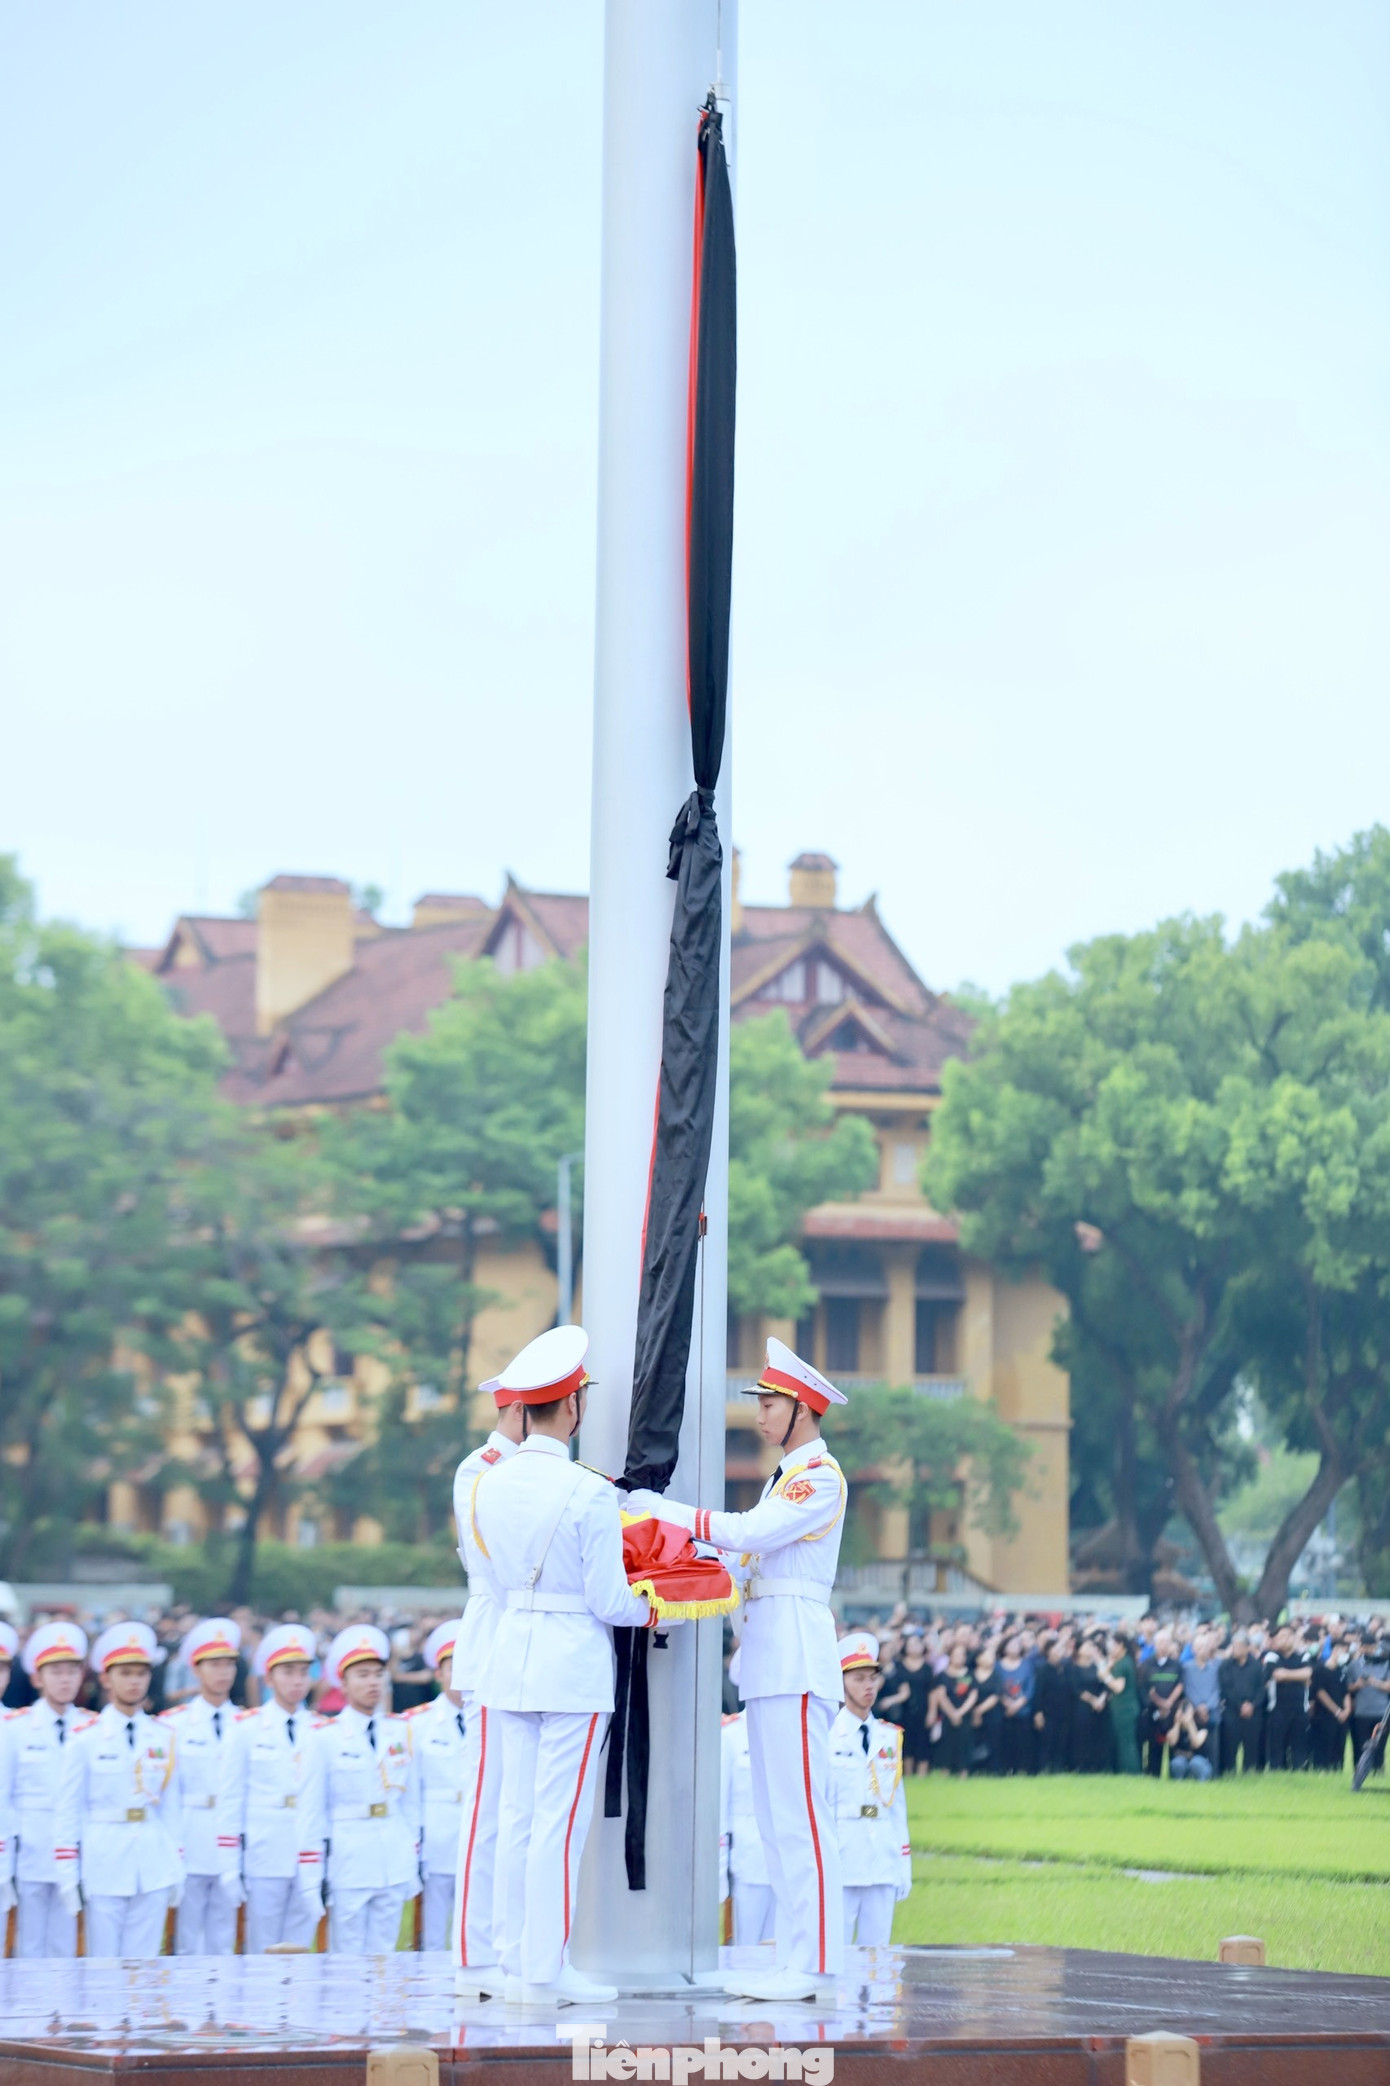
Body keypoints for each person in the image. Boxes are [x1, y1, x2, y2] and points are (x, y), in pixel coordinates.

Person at [629, 1334, 848, 2005]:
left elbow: (749, 1535)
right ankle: (797, 1959)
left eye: (770, 1402)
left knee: (801, 1818)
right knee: (778, 1820)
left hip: (796, 1660)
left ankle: (815, 1965)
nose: (759, 1413)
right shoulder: (785, 1479)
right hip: (769, 1660)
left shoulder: (818, 1476)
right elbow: (734, 1563)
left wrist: (666, 1512)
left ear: (802, 1408)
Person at [474, 1325, 659, 2008]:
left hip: (511, 1656)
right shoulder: (587, 1491)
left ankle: (512, 1960)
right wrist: (658, 1607)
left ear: (526, 1407)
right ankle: (545, 1971)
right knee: (559, 1822)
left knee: (517, 1817)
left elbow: (495, 1585)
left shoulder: (489, 1483)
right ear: (574, 1406)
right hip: (572, 1668)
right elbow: (610, 1601)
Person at [449, 1364, 526, 1994]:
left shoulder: (544, 1469)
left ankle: (516, 1947)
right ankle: (475, 1955)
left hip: (528, 1640)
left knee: (524, 1807)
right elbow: (493, 1564)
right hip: (498, 1630)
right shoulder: (482, 1468)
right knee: (489, 1806)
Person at [53, 1621, 184, 1958]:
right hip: (104, 1860)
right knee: (104, 1964)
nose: (134, 1681)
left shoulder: (163, 1735)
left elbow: (170, 1808)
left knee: (145, 1966)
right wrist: (67, 1871)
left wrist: (176, 1865)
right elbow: (69, 1808)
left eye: (141, 1673)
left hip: (152, 1862)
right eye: (125, 1673)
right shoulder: (85, 1738)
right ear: (106, 1679)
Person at [216, 1621, 327, 1952]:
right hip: (265, 1850)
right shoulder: (245, 1729)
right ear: (269, 1678)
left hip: (309, 1852)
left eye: (303, 1672)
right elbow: (231, 1797)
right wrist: (228, 1863)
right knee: (262, 1946)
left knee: (301, 1945)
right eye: (287, 1672)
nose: (297, 1681)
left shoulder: (323, 1729)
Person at [318, 1623, 420, 1955]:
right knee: (347, 1955)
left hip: (392, 1855)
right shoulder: (326, 1736)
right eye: (362, 1675)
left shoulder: (400, 1730)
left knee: (386, 1953)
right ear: (343, 1683)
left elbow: (410, 1803)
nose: (373, 1682)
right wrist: (313, 1869)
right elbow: (313, 1810)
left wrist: (412, 1857)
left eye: (378, 1674)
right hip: (349, 1859)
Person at [0, 1621, 92, 1957]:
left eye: (72, 1671)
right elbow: (4, 1796)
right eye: (56, 1672)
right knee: (30, 1945)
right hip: (31, 1852)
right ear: (38, 1678)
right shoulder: (15, 1727)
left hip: (79, 1851)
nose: (65, 1680)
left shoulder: (93, 1726)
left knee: (67, 1946)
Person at [161, 1615, 241, 1955]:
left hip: (231, 1838)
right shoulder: (174, 1724)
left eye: (228, 1665)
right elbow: (168, 1793)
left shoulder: (248, 1723)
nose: (223, 1673)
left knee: (225, 1935)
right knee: (187, 1937)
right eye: (214, 1665)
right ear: (196, 1669)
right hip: (191, 1833)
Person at [829, 1633, 911, 1947]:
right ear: (841, 1684)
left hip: (882, 1857)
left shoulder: (889, 1736)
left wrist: (903, 1863)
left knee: (878, 1954)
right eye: (859, 1678)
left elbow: (897, 1807)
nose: (868, 1686)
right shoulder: (826, 1736)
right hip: (842, 1858)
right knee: (837, 1951)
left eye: (873, 1678)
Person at [406, 1619, 468, 1952]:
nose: (461, 1675)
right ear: (438, 1674)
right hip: (436, 1838)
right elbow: (411, 1791)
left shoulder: (497, 1719)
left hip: (479, 1837)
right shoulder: (417, 1723)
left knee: (475, 1928)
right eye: (452, 1667)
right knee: (432, 1932)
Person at [720, 1697, 775, 1946]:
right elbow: (720, 1807)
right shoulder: (731, 1735)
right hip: (747, 1862)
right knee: (744, 1949)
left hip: (786, 1863)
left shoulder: (788, 1731)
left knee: (780, 1949)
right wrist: (721, 1870)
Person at [1266, 1626, 1313, 1771]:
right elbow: (1277, 1675)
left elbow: (1307, 1673)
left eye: (1287, 1636)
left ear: (1294, 1638)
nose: (1284, 1639)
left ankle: (1299, 1770)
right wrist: (1298, 1676)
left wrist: (1286, 1674)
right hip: (1277, 1709)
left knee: (1299, 1746)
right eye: (1281, 1636)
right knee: (1277, 1747)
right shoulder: (1272, 1656)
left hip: (1300, 1708)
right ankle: (1277, 1772)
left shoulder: (1303, 1655)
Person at [1219, 1630, 1265, 1773]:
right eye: (1234, 1646)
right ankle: (1229, 1771)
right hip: (1232, 1710)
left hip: (1253, 1711)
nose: (1235, 1649)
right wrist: (1240, 1705)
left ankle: (1249, 1771)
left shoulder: (1257, 1666)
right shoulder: (1225, 1665)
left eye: (1239, 1646)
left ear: (1247, 1648)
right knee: (1230, 1744)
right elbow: (1225, 1688)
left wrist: (1252, 1705)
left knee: (1251, 1744)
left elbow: (1261, 1689)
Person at [928, 1645, 977, 1778]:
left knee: (964, 1743)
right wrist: (952, 1714)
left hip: (965, 1715)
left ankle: (963, 1773)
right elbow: (941, 1695)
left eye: (962, 1654)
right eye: (956, 1654)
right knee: (947, 1743)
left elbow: (973, 1696)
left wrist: (960, 1713)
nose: (959, 1657)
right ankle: (945, 1772)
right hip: (947, 1716)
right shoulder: (942, 1675)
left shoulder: (970, 1674)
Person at [1141, 1631, 1184, 1776]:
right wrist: (1159, 1704)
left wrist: (1169, 1702)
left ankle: (1174, 1775)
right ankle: (1153, 1774)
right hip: (1153, 1712)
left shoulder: (1176, 1665)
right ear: (1155, 1644)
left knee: (1172, 1745)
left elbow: (1180, 1685)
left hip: (1171, 1712)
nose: (1163, 1646)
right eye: (1160, 1642)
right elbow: (1146, 1689)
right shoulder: (1147, 1664)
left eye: (1166, 1642)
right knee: (1154, 1745)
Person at [1348, 1631, 1390, 1778]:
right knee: (1361, 1745)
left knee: (1379, 1746)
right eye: (1364, 1647)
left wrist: (1373, 1681)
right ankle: (1360, 1773)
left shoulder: (1386, 1663)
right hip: (1361, 1712)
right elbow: (1348, 1687)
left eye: (1371, 1647)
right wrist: (1357, 1685)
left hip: (1381, 1712)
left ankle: (1377, 1772)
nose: (1367, 1650)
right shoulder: (1354, 1665)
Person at [1182, 1628, 1222, 1777]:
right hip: (1193, 1713)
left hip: (1212, 1712)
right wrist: (1197, 1706)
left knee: (1213, 1746)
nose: (1202, 1650)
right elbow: (1187, 1689)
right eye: (1199, 1647)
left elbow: (1217, 1690)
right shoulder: (1186, 1668)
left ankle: (1214, 1774)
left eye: (1205, 1647)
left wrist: (1207, 1706)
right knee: (1192, 1743)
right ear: (1193, 1649)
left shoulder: (1215, 1669)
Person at [1309, 1640, 1352, 1773]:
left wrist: (1347, 1710)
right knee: (1324, 1748)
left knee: (1339, 1747)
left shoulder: (1341, 1671)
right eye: (1342, 1650)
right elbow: (1320, 1692)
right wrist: (1337, 1711)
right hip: (1324, 1716)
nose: (1344, 1654)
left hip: (1341, 1718)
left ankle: (1337, 1770)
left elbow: (1345, 1692)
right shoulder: (1320, 1669)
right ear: (1335, 1650)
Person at [997, 1636, 1036, 1777]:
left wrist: (1018, 1704)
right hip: (1003, 1710)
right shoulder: (997, 1665)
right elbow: (996, 1687)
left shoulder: (1027, 1665)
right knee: (1006, 1741)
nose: (1014, 1647)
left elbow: (1030, 1687)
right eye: (1011, 1644)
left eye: (1017, 1644)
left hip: (1023, 1710)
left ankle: (1023, 1769)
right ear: (1004, 1647)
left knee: (1024, 1741)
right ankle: (1007, 1769)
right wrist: (1006, 1702)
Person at [1165, 1699, 1214, 1782]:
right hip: (1182, 1764)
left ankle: (1201, 1783)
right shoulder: (1173, 1729)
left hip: (1201, 1764)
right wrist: (1177, 1723)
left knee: (1195, 1763)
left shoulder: (1202, 1728)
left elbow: (1195, 1743)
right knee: (1177, 1763)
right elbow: (1172, 1742)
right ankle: (1178, 1783)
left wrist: (1190, 1723)